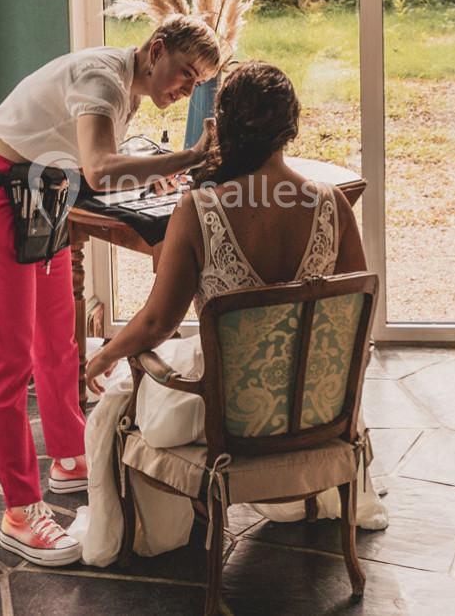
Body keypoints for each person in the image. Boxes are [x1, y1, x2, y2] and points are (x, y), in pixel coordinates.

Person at [74, 61, 387, 566]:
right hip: (314, 407)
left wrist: (101, 355)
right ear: (291, 125)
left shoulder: (199, 210)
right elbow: (355, 317)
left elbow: (158, 324)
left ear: (225, 124)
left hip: (230, 415)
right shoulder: (334, 207)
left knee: (117, 402)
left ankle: (174, 523)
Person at [0, 15, 221, 566]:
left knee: (58, 343)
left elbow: (85, 165)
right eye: (185, 74)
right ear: (157, 48)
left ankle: (71, 456)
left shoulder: (128, 88)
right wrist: (188, 157)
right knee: (5, 359)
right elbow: (99, 171)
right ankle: (20, 510)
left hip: (45, 195)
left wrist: (152, 172)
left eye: (197, 84)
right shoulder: (102, 79)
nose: (185, 88)